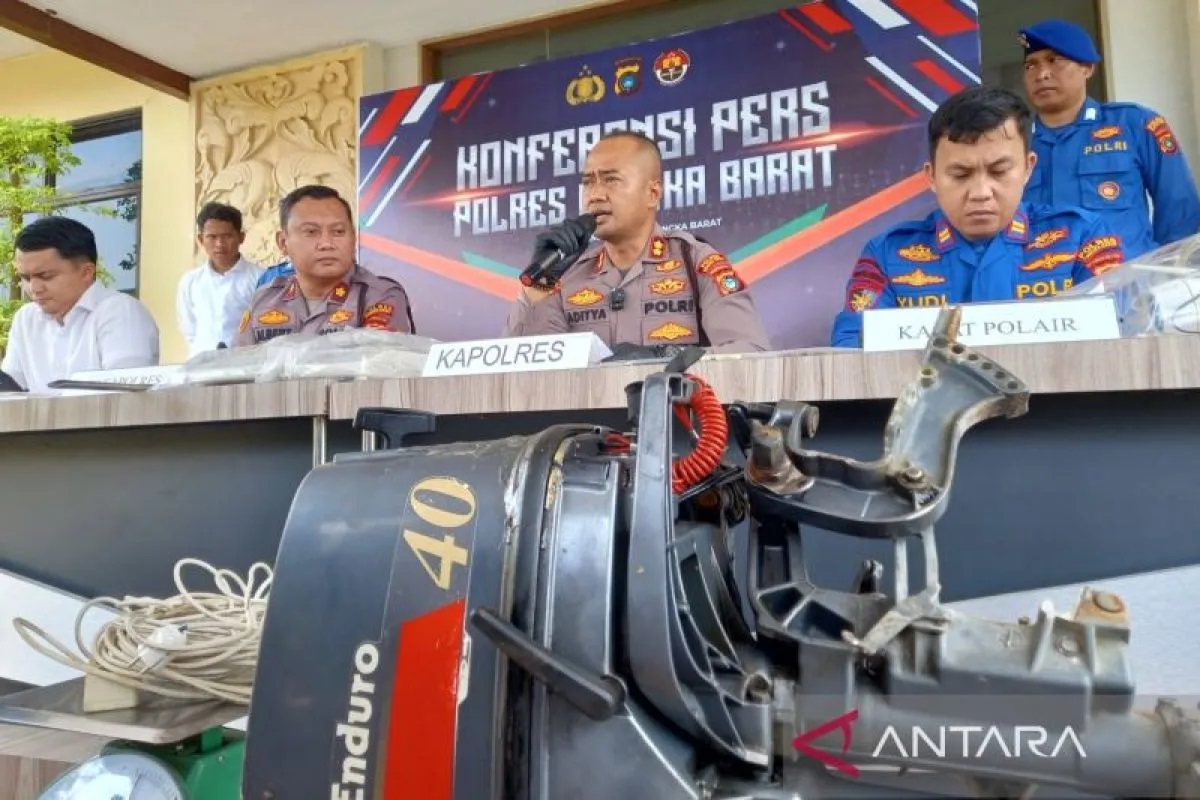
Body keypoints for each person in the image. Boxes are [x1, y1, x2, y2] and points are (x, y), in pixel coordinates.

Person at [830, 85, 1126, 348]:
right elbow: (854, 350)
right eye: (961, 174)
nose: (981, 192)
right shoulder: (887, 255)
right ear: (931, 176)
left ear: (1028, 168)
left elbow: (1123, 335)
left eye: (999, 171)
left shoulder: (1082, 239)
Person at [503, 131, 770, 357]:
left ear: (652, 193)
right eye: (588, 183)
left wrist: (661, 359)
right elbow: (525, 370)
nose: (595, 195)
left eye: (611, 180)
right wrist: (538, 287)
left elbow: (750, 354)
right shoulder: (566, 276)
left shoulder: (697, 262)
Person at [1018, 19, 1200, 259]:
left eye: (1054, 61)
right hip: (1041, 278)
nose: (1041, 74)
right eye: (1031, 65)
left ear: (1087, 68)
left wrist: (1167, 273)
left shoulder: (1135, 124)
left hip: (1124, 279)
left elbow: (1180, 213)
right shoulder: (1015, 141)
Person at [233, 185, 416, 346]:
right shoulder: (264, 300)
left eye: (338, 231)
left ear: (354, 238)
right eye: (311, 232)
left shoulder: (378, 296)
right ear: (282, 242)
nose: (327, 244)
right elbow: (238, 365)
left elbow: (380, 364)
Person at [1, 216, 159, 391]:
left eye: (46, 276)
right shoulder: (25, 318)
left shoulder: (121, 312)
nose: (34, 288)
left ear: (86, 272)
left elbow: (124, 395)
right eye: (25, 278)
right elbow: (10, 391)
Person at [176, 201, 263, 357]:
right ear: (200, 239)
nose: (219, 244)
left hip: (245, 364)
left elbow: (264, 327)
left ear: (241, 237)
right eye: (212, 237)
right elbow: (190, 330)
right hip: (201, 364)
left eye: (227, 236)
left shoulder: (260, 278)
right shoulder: (190, 282)